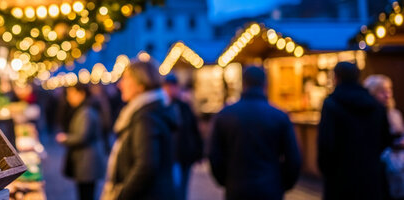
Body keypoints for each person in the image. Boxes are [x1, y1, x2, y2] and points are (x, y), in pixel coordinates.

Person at [209, 66, 301, 200]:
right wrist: (282, 183)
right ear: (265, 84)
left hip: (237, 187)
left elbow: (214, 156)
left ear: (243, 83)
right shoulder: (279, 116)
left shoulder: (225, 115)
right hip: (270, 187)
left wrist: (226, 180)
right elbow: (294, 159)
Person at [101, 60, 177, 200]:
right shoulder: (151, 110)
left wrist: (122, 195)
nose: (120, 84)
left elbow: (145, 167)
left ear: (141, 84)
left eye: (126, 78)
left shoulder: (145, 117)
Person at [317, 62, 391, 200]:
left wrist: (327, 170)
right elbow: (385, 139)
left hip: (339, 177)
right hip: (370, 176)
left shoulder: (331, 104)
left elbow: (326, 144)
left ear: (336, 77)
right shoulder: (376, 105)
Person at [56, 83, 106, 200]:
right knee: (85, 192)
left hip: (88, 160)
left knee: (86, 193)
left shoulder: (86, 111)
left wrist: (65, 138)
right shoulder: (84, 108)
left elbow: (82, 136)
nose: (69, 98)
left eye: (72, 94)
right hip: (86, 159)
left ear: (81, 94)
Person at [163, 75, 203, 200]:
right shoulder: (162, 108)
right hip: (169, 156)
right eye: (168, 87)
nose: (171, 90)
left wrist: (198, 152)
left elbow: (194, 130)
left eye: (173, 87)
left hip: (184, 155)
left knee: (182, 190)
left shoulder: (184, 107)